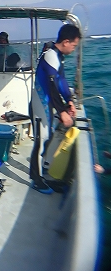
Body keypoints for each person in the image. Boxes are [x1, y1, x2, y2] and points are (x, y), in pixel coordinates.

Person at [30, 23, 81, 193]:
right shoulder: (50, 55)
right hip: (40, 103)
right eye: (74, 45)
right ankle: (36, 180)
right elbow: (52, 85)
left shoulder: (58, 56)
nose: (74, 49)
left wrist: (70, 101)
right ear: (66, 42)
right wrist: (63, 112)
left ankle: (42, 170)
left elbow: (62, 81)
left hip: (48, 103)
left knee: (48, 136)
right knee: (40, 138)